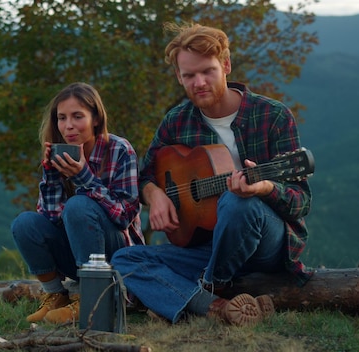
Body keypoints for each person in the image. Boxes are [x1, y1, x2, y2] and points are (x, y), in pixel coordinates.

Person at [111, 23, 313, 326]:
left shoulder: (273, 116)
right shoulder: (177, 121)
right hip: (206, 247)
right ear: (179, 76)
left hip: (264, 247)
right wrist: (155, 196)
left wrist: (263, 187)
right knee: (124, 260)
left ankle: (201, 290)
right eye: (189, 75)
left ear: (227, 66)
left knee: (237, 203)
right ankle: (217, 307)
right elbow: (144, 175)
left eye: (208, 71)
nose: (199, 82)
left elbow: (301, 202)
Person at [11, 82, 144, 324]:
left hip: (118, 254)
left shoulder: (119, 150)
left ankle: (93, 300)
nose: (68, 125)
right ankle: (56, 296)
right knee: (25, 224)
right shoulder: (63, 152)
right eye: (62, 118)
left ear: (95, 119)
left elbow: (125, 216)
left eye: (77, 116)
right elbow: (50, 219)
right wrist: (51, 175)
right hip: (78, 252)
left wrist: (83, 176)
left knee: (79, 205)